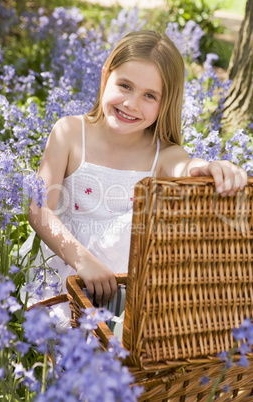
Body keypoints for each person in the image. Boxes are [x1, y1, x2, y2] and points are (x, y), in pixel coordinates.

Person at [20, 30, 247, 330]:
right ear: (105, 77)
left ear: (166, 103)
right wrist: (82, 260)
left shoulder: (163, 155)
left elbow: (188, 167)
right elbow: (39, 208)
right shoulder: (70, 133)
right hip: (66, 271)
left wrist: (211, 167)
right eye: (125, 86)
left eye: (149, 96)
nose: (131, 104)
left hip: (125, 290)